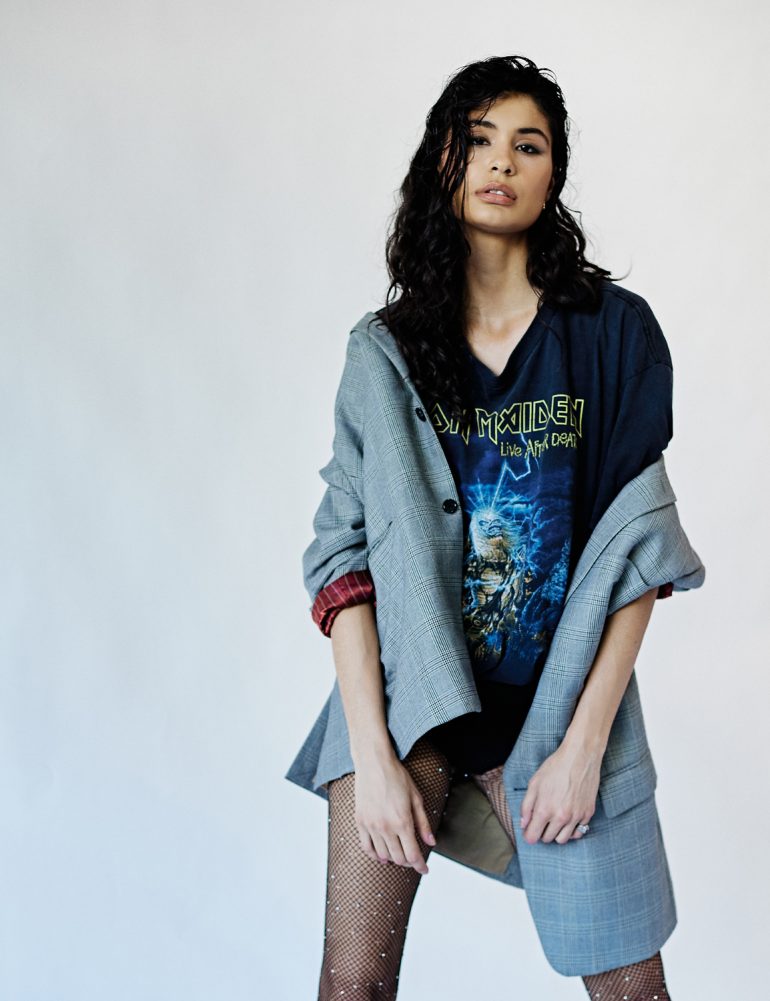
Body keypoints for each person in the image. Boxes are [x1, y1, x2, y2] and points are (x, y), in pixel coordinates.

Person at [284, 54, 706, 999]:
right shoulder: (385, 350)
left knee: (634, 992)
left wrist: (583, 747)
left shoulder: (613, 333)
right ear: (444, 160)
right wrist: (373, 755)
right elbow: (343, 557)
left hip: (558, 710)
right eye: (477, 140)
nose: (501, 162)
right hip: (408, 704)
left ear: (555, 174)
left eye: (529, 145)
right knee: (352, 983)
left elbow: (638, 552)